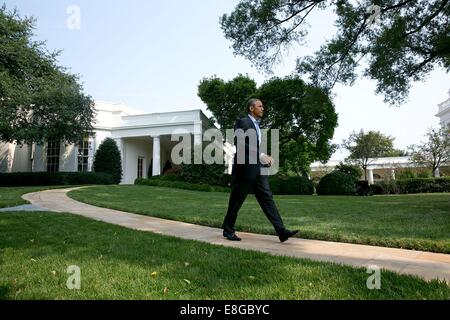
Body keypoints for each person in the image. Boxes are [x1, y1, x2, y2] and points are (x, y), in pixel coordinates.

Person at [222, 98, 299, 242]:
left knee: (267, 198)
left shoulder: (257, 126)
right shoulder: (243, 122)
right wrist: (261, 155)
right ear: (251, 108)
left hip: (257, 168)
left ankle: (281, 231)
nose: (263, 108)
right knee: (236, 201)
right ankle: (228, 230)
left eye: (263, 106)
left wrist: (263, 158)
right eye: (260, 106)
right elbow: (240, 144)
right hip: (244, 169)